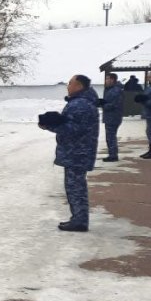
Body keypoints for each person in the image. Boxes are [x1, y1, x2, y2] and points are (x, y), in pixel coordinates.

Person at [38, 74, 99, 232]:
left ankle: (79, 221)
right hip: (78, 152)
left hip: (77, 152)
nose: (67, 86)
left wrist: (50, 125)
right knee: (76, 186)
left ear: (79, 86)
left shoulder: (79, 104)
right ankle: (79, 218)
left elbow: (73, 130)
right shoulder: (83, 102)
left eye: (70, 83)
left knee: (75, 188)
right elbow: (73, 125)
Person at [99, 73, 124, 162]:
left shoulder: (115, 91)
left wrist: (103, 104)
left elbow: (114, 104)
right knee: (110, 136)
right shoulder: (110, 90)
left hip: (113, 117)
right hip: (111, 116)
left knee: (111, 137)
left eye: (107, 79)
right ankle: (112, 154)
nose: (106, 81)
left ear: (112, 80)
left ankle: (113, 155)